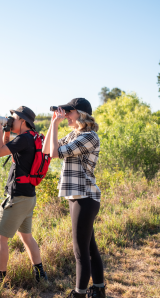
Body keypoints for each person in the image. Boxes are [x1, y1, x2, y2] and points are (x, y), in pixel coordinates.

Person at [43, 98, 106, 298]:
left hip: (85, 197)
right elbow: (46, 149)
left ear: (81, 114)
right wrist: (53, 123)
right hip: (77, 197)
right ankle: (98, 289)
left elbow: (55, 153)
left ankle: (79, 294)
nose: (66, 115)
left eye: (69, 112)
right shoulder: (75, 134)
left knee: (80, 251)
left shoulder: (89, 136)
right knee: (89, 247)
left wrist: (55, 124)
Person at [0, 106, 48, 284]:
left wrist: (0, 130)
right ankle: (40, 275)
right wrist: (6, 131)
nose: (10, 120)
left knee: (0, 237)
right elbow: (7, 147)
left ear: (23, 121)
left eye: (13, 118)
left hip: (18, 198)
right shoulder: (31, 138)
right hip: (28, 196)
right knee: (26, 236)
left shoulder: (23, 139)